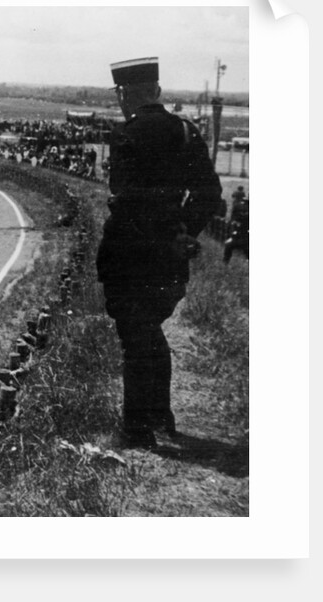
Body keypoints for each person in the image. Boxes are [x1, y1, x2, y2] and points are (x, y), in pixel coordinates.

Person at [96, 57, 223, 449]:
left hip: (130, 253)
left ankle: (137, 427)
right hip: (169, 257)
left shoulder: (126, 135)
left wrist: (154, 236)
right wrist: (183, 229)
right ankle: (159, 416)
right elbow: (210, 195)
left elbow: (127, 201)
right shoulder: (186, 133)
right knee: (149, 331)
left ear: (126, 94)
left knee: (136, 337)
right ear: (158, 92)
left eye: (120, 94)